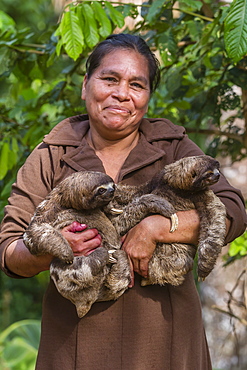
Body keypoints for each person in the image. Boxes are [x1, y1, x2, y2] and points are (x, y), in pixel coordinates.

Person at [0, 33, 246, 370]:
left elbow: (234, 210)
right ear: (86, 84)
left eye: (137, 85)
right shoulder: (53, 153)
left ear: (148, 97)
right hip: (75, 348)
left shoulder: (171, 144)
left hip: (166, 342)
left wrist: (160, 227)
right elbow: (9, 251)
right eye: (110, 79)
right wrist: (55, 247)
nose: (122, 93)